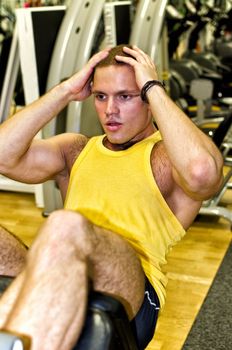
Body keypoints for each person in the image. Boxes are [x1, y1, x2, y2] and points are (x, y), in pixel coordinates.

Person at [0, 45, 223, 350]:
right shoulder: (76, 150)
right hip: (61, 268)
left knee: (66, 225)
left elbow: (203, 174)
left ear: (147, 96)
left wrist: (154, 88)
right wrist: (65, 91)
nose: (110, 110)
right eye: (101, 97)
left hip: (130, 290)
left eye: (125, 96)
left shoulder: (167, 156)